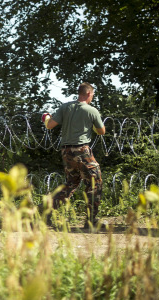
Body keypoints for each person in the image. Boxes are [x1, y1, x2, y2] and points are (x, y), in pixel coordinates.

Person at [43, 82, 106, 228]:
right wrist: (92, 126)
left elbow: (50, 125)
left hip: (66, 151)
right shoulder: (91, 111)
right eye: (93, 95)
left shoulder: (65, 107)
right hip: (82, 151)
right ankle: (91, 220)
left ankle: (46, 212)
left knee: (71, 182)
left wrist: (46, 117)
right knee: (94, 182)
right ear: (89, 93)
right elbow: (102, 131)